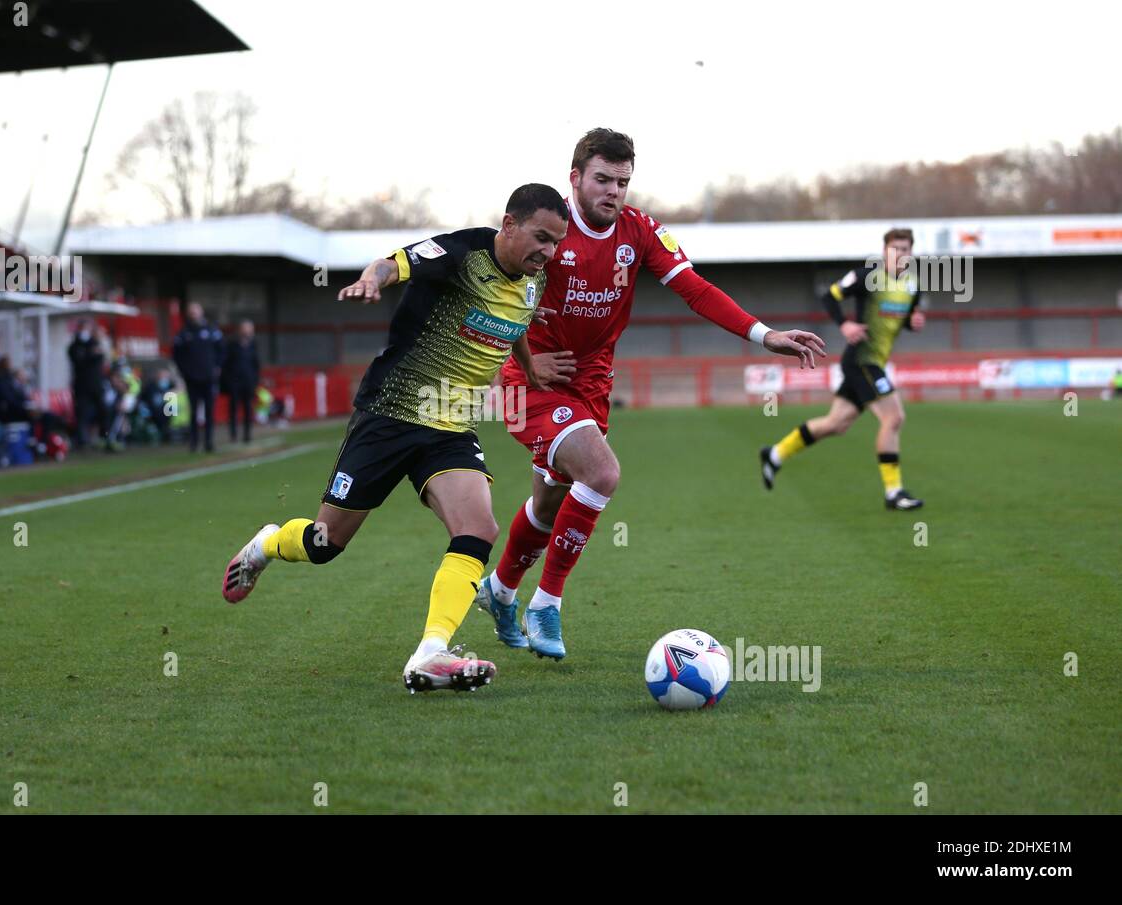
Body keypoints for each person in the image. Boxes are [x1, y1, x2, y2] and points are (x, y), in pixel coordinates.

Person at [478, 129, 826, 660]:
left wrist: (765, 334)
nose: (613, 191)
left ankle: (500, 591)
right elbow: (493, 291)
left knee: (548, 504)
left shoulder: (639, 232)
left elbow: (695, 289)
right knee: (602, 473)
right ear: (575, 178)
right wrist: (525, 358)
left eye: (622, 181)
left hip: (592, 382)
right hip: (535, 380)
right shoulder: (547, 229)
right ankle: (545, 603)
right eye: (602, 179)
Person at [220, 183, 572, 693]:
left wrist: (529, 364)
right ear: (509, 224)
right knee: (324, 544)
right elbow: (394, 263)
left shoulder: (533, 280)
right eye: (541, 237)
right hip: (389, 414)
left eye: (556, 242)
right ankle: (267, 544)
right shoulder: (461, 254)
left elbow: (514, 318)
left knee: (479, 527)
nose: (549, 251)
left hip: (450, 426)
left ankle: (431, 653)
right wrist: (371, 278)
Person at [762, 228, 925, 510]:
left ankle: (775, 454)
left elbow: (903, 320)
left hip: (873, 362)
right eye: (895, 248)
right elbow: (830, 296)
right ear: (885, 251)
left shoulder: (912, 286)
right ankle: (893, 493)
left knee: (836, 423)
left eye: (905, 249)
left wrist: (912, 323)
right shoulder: (866, 277)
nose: (901, 254)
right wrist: (845, 324)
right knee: (894, 417)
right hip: (862, 360)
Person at [172, 303, 225, 453]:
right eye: (191, 312)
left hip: (208, 378)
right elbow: (176, 354)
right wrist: (184, 371)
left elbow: (222, 350)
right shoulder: (184, 333)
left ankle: (209, 441)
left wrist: (217, 367)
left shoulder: (211, 330)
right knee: (193, 411)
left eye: (195, 312)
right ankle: (194, 442)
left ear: (201, 312)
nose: (193, 314)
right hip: (192, 378)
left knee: (209, 410)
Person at [67, 318, 107, 450]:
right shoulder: (74, 346)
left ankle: (104, 437)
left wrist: (89, 355)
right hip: (82, 386)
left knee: (103, 410)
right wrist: (91, 355)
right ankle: (82, 441)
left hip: (96, 384)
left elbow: (99, 357)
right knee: (82, 414)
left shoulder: (94, 343)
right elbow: (79, 361)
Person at [223, 320, 261, 443]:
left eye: (250, 329)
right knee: (233, 409)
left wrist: (255, 380)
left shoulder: (253, 344)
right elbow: (226, 364)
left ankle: (247, 434)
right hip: (235, 382)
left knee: (248, 409)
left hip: (248, 382)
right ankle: (233, 434)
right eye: (246, 329)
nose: (248, 331)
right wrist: (228, 381)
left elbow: (256, 364)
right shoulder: (232, 344)